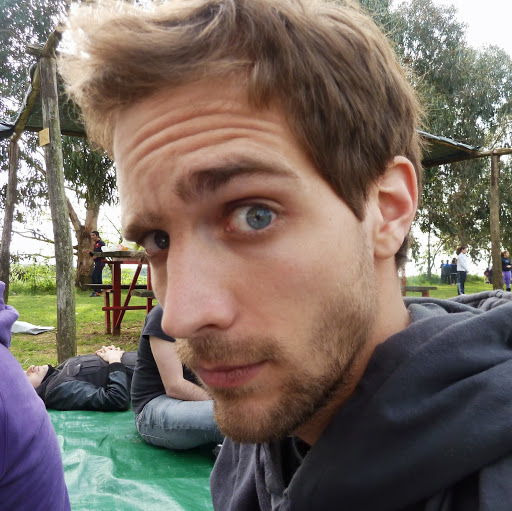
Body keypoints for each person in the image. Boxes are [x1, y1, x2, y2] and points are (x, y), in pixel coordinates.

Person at [60, 1, 512, 509]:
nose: (180, 316)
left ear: (387, 210)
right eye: (158, 241)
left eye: (254, 215)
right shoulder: (256, 445)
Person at [0, 281, 70, 509]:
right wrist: (114, 364)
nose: (30, 368)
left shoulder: (55, 387)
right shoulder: (60, 389)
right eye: (25, 374)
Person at [131, 304, 224, 450]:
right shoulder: (164, 315)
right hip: (154, 408)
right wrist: (225, 403)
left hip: (197, 401)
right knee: (233, 417)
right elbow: (175, 386)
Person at [27, 346, 137, 411]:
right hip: (144, 374)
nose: (30, 368)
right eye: (25, 377)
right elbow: (117, 399)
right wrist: (114, 360)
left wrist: (107, 352)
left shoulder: (55, 375)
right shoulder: (58, 390)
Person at [88, 230, 106, 296]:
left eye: (93, 235)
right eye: (91, 235)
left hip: (101, 261)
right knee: (98, 276)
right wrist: (90, 253)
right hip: (98, 261)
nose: (92, 237)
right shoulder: (95, 244)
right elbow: (95, 255)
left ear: (97, 236)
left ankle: (96, 291)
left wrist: (96, 256)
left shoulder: (101, 243)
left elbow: (103, 252)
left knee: (94, 275)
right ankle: (99, 291)